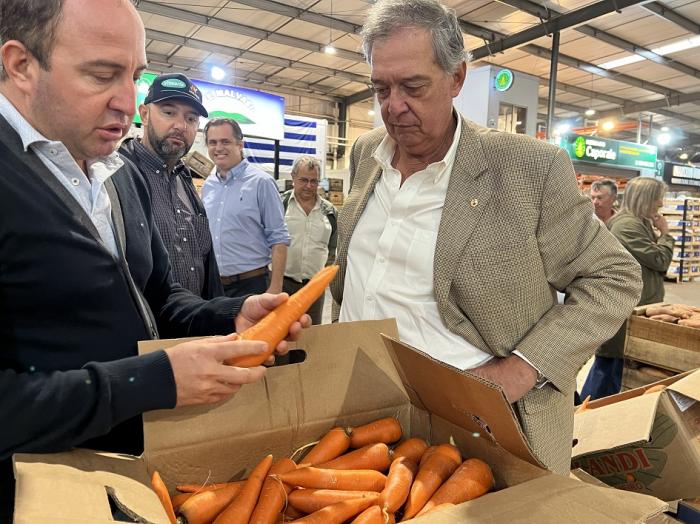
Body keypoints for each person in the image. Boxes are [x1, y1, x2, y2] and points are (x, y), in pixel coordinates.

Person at [0, 0, 307, 520]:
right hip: (39, 488)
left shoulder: (116, 175)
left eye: (135, 78)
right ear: (20, 65)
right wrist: (151, 380)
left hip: (126, 472)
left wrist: (229, 312)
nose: (126, 102)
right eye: (102, 75)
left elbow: (159, 295)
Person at [331, 0, 642, 475]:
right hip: (369, 418)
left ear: (457, 78)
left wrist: (519, 370)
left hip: (478, 433)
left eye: (413, 86)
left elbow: (614, 276)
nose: (393, 106)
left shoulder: (526, 169)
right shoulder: (366, 151)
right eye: (380, 88)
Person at [120, 73, 223, 299]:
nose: (180, 126)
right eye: (169, 112)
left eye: (191, 118)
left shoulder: (184, 179)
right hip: (146, 329)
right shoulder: (118, 176)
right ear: (144, 114)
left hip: (195, 326)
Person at [581, 177, 674, 400]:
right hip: (625, 312)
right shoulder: (627, 226)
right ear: (645, 199)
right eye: (657, 198)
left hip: (635, 309)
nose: (661, 203)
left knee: (614, 368)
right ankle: (588, 416)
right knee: (609, 369)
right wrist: (666, 234)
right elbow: (660, 260)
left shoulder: (638, 223)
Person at [202, 118, 290, 298]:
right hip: (214, 286)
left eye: (225, 141)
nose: (218, 148)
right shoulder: (208, 185)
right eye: (213, 142)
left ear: (240, 144)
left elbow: (279, 237)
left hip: (252, 286)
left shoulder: (261, 182)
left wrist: (275, 288)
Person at [281, 156, 338, 324]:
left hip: (314, 288)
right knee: (281, 334)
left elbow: (332, 249)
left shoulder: (330, 212)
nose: (309, 186)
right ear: (293, 177)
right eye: (304, 180)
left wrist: (323, 279)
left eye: (314, 181)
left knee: (311, 335)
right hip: (283, 285)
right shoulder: (280, 205)